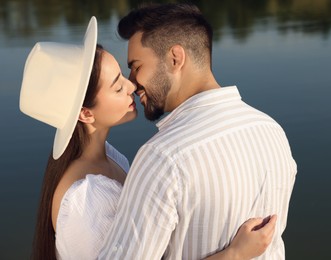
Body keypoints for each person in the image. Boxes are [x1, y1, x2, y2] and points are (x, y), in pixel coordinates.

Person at [20, 17, 276, 260]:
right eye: (118, 86)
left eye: (123, 74)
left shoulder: (108, 156)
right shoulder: (85, 201)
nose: (132, 86)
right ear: (86, 113)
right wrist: (234, 254)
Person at [99, 3, 297, 260]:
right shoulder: (272, 131)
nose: (131, 82)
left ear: (175, 58)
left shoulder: (163, 157)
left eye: (136, 66)